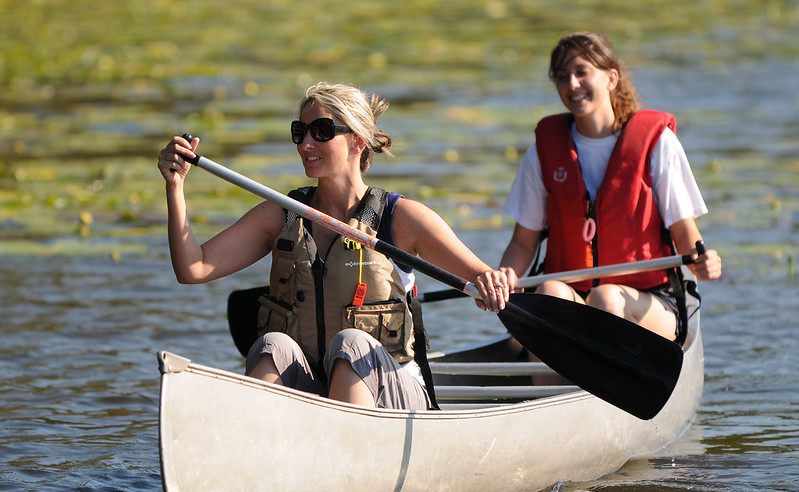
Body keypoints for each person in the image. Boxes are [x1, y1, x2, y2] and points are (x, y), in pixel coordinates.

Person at [158, 82, 509, 411]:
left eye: (321, 132)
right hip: (316, 395)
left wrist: (490, 286)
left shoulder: (400, 218)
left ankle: (349, 461)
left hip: (393, 398)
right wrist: (175, 188)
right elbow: (194, 268)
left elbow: (481, 277)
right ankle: (254, 452)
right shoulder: (281, 215)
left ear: (358, 141)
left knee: (351, 344)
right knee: (273, 345)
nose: (305, 144)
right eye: (301, 132)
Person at [500, 32, 722, 342]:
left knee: (604, 299)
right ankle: (553, 386)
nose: (572, 84)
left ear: (611, 78)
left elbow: (685, 233)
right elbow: (523, 243)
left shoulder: (658, 144)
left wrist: (702, 261)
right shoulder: (544, 151)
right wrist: (503, 277)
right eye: (563, 77)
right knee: (548, 293)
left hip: (649, 302)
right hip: (573, 296)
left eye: (582, 72)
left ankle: (608, 384)